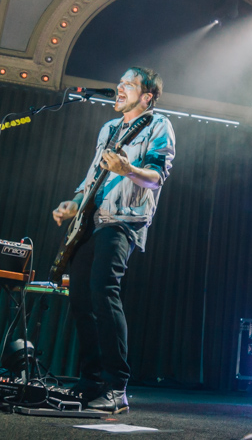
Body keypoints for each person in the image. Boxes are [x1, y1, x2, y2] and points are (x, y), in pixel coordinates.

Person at [52, 67, 175, 413]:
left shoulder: (158, 125)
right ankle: (90, 382)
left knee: (104, 292)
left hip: (124, 220)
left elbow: (157, 177)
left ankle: (117, 387)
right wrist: (73, 204)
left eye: (128, 84)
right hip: (90, 220)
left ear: (146, 96)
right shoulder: (108, 129)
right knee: (79, 299)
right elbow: (93, 175)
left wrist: (129, 170)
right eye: (119, 82)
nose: (119, 87)